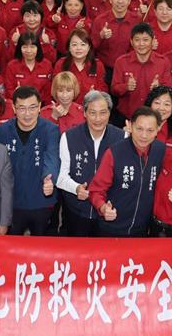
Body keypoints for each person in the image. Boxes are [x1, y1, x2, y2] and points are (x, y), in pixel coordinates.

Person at [89, 107, 167, 237]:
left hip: (142, 229)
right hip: (111, 227)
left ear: (158, 129)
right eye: (139, 129)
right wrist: (103, 207)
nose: (144, 135)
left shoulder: (160, 151)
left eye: (150, 130)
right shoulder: (114, 152)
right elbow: (96, 190)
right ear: (130, 126)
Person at [57, 91, 124, 236]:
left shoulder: (122, 137)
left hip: (108, 211)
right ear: (85, 113)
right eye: (93, 113)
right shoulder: (69, 137)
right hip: (76, 210)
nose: (98, 119)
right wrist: (76, 188)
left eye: (103, 113)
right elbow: (61, 177)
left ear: (109, 113)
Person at [0, 86, 61, 235]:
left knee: (42, 243)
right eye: (22, 108)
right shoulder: (2, 131)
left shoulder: (50, 130)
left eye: (32, 107)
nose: (27, 114)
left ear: (39, 107)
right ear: (14, 108)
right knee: (12, 244)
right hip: (12, 201)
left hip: (41, 199)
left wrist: (49, 178)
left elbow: (52, 157)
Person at [111, 23, 172, 123]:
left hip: (154, 118)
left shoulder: (163, 62)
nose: (141, 44)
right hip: (125, 117)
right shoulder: (121, 61)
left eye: (145, 40)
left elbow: (170, 89)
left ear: (153, 41)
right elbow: (114, 89)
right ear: (131, 42)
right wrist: (126, 87)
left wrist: (159, 88)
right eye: (137, 40)